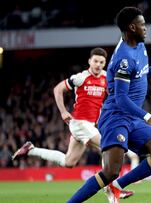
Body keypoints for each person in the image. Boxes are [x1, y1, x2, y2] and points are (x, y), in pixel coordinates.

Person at [66, 7, 151, 203]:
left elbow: (142, 69)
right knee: (111, 171)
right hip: (116, 117)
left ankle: (117, 187)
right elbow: (121, 98)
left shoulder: (138, 45)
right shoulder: (124, 57)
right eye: (142, 25)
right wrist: (149, 117)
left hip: (132, 117)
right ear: (132, 27)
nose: (146, 28)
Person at [11, 47, 134, 200]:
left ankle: (31, 150)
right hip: (79, 123)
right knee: (109, 146)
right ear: (89, 61)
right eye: (95, 61)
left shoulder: (105, 78)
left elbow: (112, 97)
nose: (98, 64)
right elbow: (58, 89)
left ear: (104, 63)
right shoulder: (80, 78)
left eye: (101, 62)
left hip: (90, 126)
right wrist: (63, 111)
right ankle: (113, 188)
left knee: (69, 162)